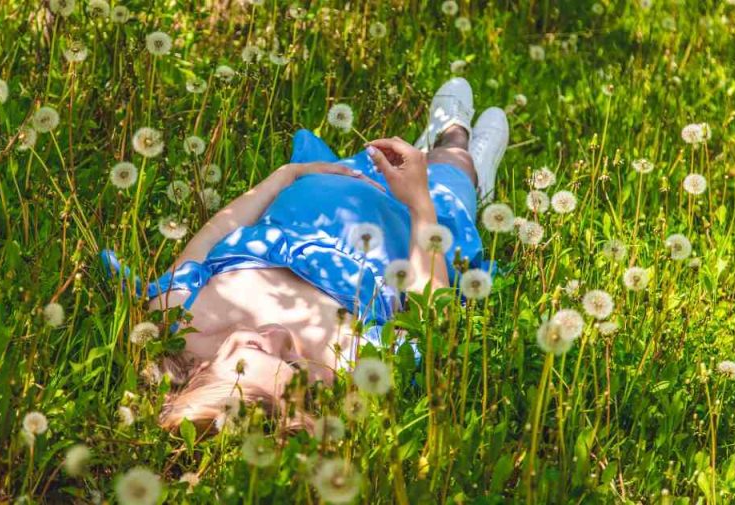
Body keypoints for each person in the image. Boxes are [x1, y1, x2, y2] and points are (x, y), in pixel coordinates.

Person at [104, 78, 509, 433]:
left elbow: (215, 233)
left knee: (392, 161)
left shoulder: (179, 320)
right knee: (453, 168)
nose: (279, 336)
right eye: (295, 365)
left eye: (255, 350)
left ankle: (442, 151)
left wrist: (286, 175)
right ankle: (459, 147)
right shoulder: (351, 366)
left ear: (199, 374)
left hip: (322, 193)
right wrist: (420, 202)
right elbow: (428, 321)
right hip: (412, 223)